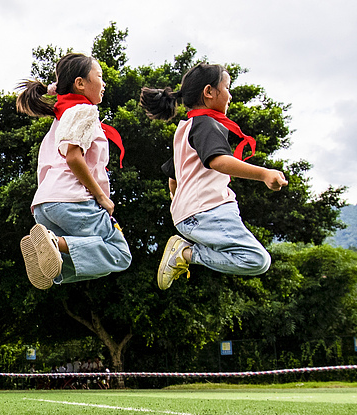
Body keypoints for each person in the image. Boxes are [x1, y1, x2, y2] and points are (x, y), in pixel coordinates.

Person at [139, 63, 286, 289]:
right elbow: (218, 161)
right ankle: (185, 253)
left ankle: (184, 249)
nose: (230, 95)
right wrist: (264, 174)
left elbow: (173, 178)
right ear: (209, 92)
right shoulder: (206, 123)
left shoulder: (186, 127)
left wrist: (182, 206)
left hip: (190, 214)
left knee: (253, 259)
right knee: (256, 260)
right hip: (207, 210)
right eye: (227, 87)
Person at [15, 53, 131, 289]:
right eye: (99, 77)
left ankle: (50, 260)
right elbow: (73, 157)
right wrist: (101, 196)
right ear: (80, 83)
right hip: (74, 200)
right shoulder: (84, 111)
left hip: (45, 205)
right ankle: (54, 244)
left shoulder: (62, 117)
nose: (104, 83)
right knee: (119, 253)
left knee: (79, 262)